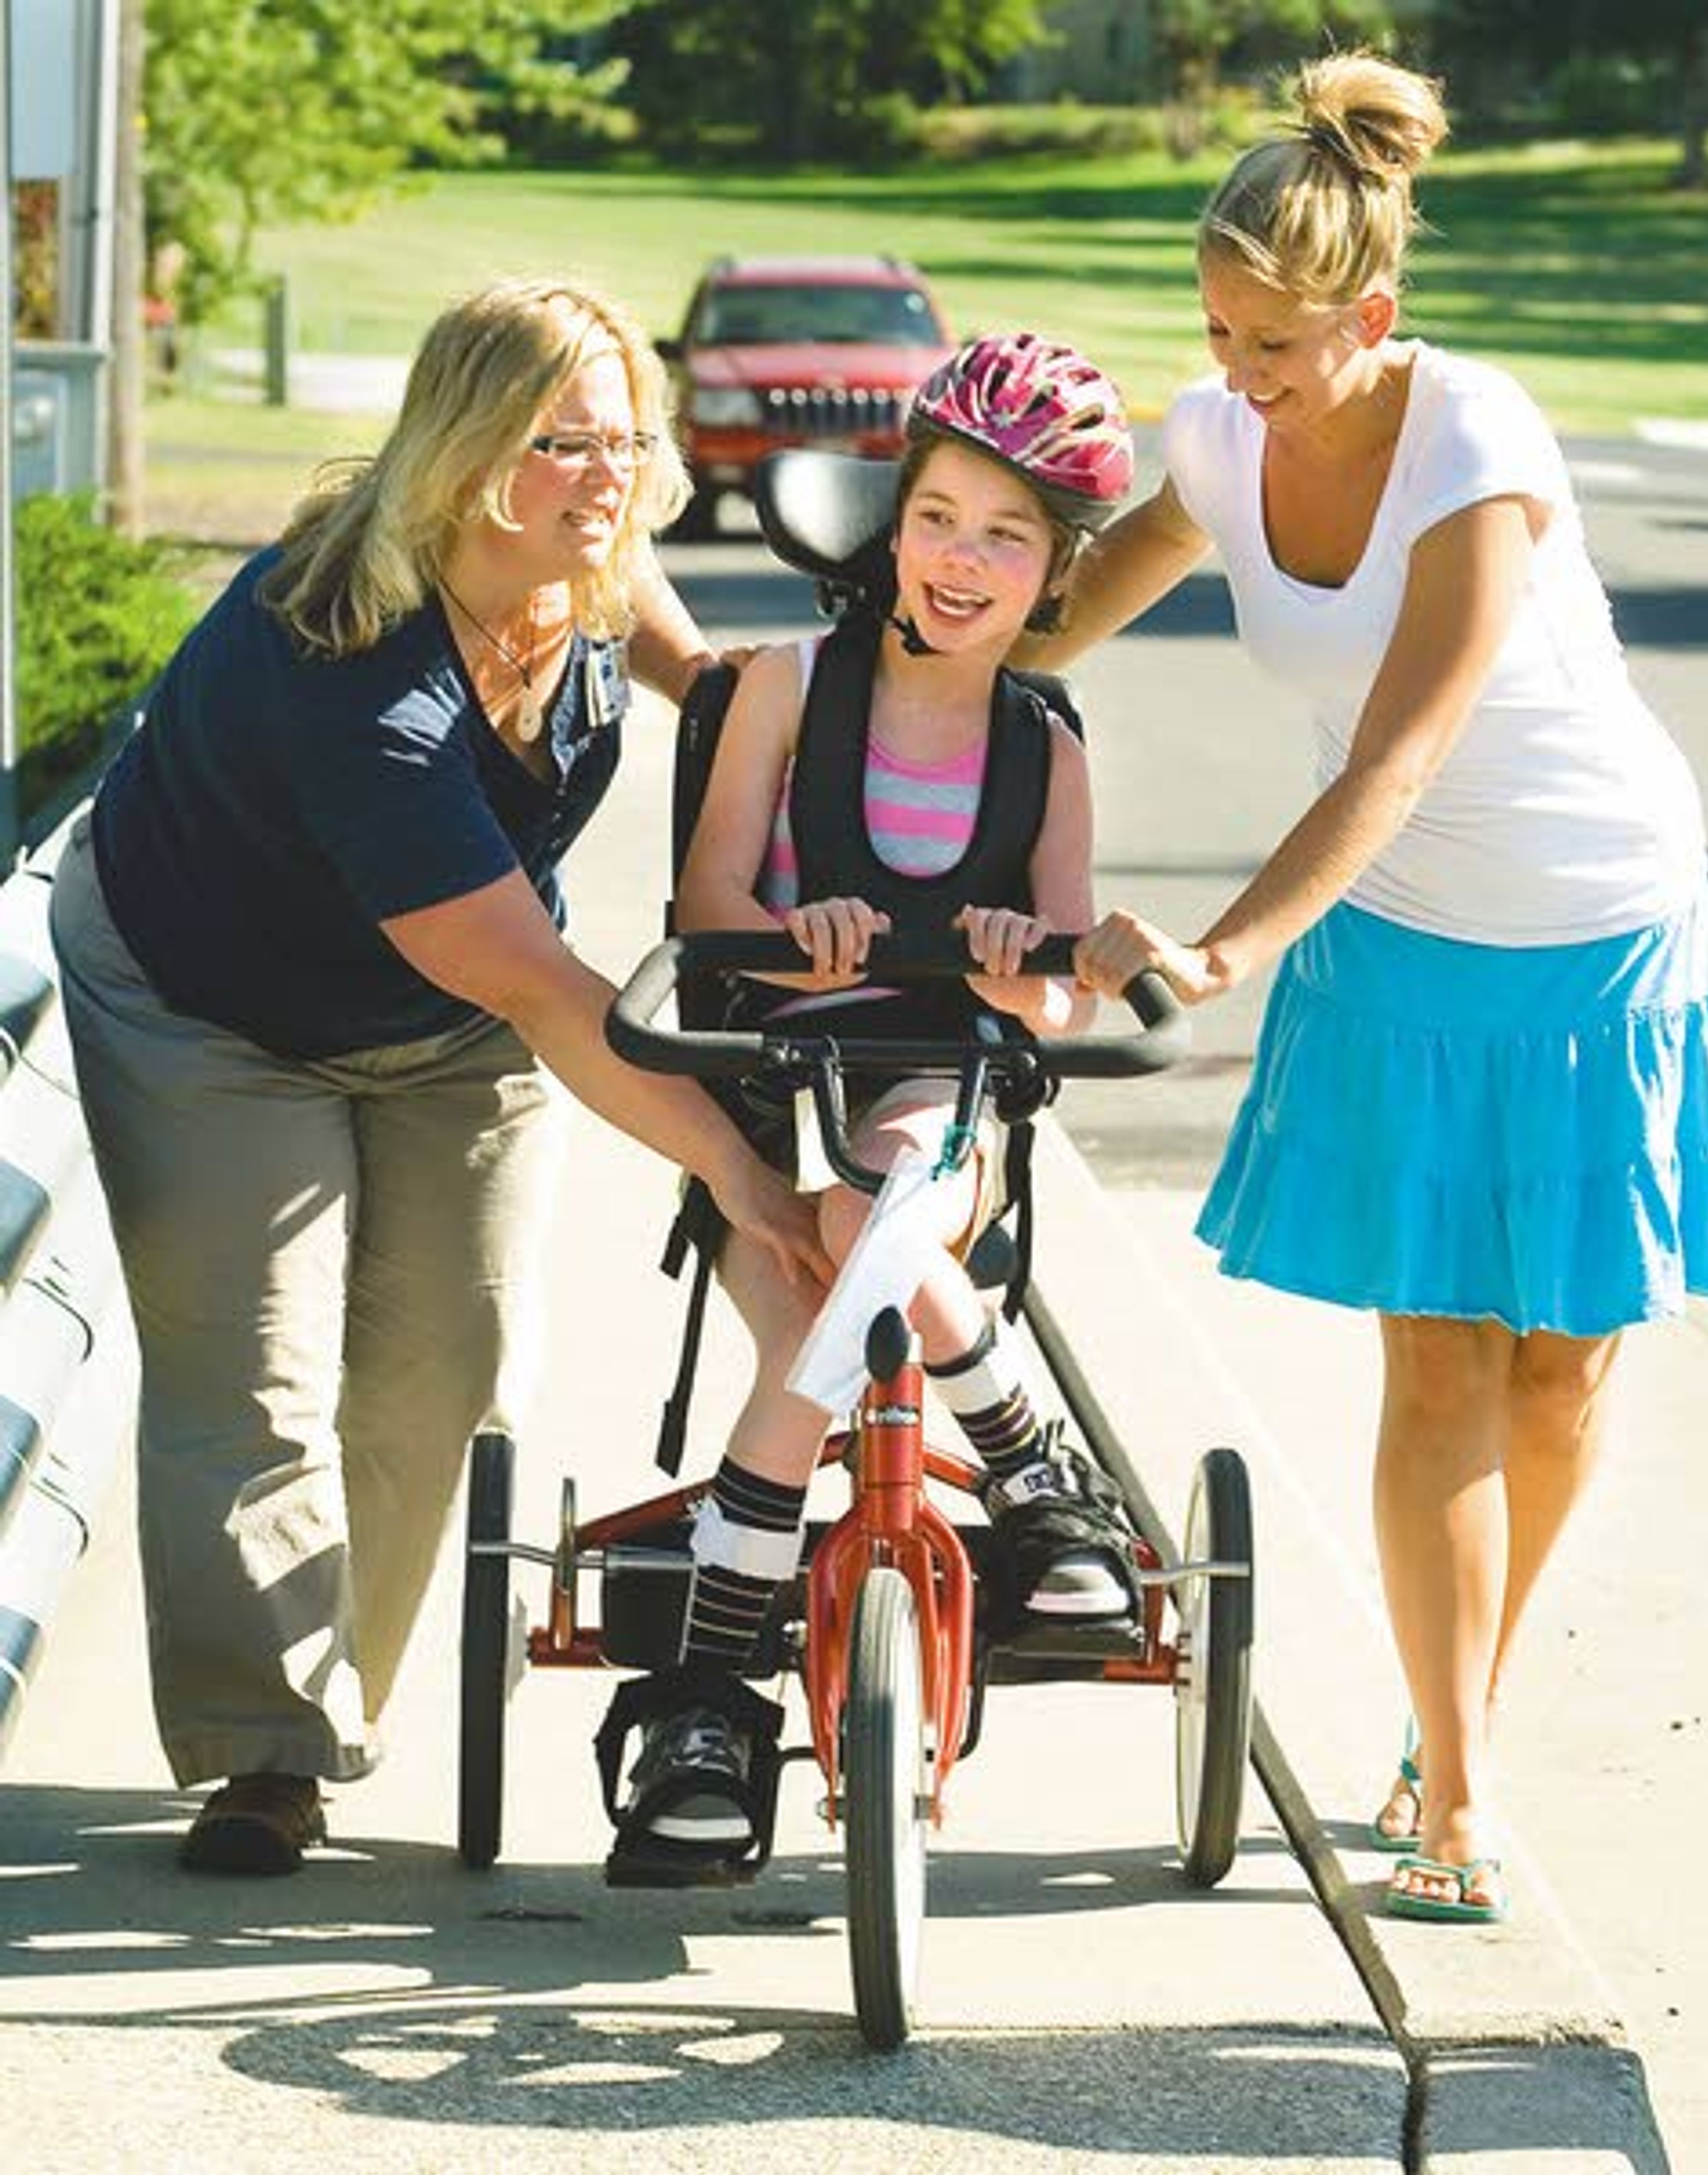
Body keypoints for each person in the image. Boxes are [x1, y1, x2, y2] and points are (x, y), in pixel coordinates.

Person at [1060, 54, 1708, 1925]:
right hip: (1398, 945)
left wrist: (1225, 945)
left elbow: (1401, 753)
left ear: (1371, 318)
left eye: (1272, 342)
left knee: (1564, 1366)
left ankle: (1473, 1700)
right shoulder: (1218, 441)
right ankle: (1454, 1782)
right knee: (1439, 1355)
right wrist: (881, 613)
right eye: (1215, 332)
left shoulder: (1479, 437)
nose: (1233, 375)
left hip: (1596, 923)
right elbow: (1035, 616)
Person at [48, 277, 827, 1877]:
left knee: (447, 1366)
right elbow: (549, 994)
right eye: (562, 443)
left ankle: (341, 1694)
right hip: (212, 996)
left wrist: (824, 711)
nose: (607, 475)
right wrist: (740, 1173)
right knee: (249, 1375)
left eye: (623, 437)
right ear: (469, 451)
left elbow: (694, 663)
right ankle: (267, 1758)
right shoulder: (354, 671)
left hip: (447, 1003)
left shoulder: (585, 564)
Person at [601, 334, 1146, 1883]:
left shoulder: (1041, 742)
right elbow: (710, 894)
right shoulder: (784, 686)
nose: (964, 559)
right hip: (775, 1080)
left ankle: (706, 1699)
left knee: (880, 1192)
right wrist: (795, 930)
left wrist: (1021, 974)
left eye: (1010, 536)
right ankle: (1032, 1473)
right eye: (941, 516)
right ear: (891, 519)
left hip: (940, 1092)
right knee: (821, 1283)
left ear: (1053, 571)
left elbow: (1057, 979)